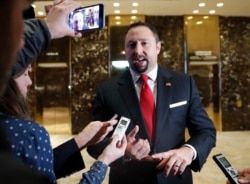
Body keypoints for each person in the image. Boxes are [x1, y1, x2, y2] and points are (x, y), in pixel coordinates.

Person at [87, 21, 217, 184]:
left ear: (158, 47)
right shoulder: (107, 90)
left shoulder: (183, 84)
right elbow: (93, 142)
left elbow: (206, 130)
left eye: (144, 44)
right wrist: (124, 151)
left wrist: (188, 151)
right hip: (128, 178)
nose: (138, 51)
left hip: (174, 177)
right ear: (125, 50)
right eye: (131, 45)